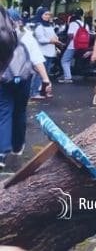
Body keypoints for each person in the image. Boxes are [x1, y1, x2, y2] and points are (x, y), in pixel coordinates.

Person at [0, 9, 52, 169]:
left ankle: (2, 152)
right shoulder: (26, 34)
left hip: (3, 80)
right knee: (20, 111)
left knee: (4, 111)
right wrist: (45, 80)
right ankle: (18, 147)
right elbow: (36, 60)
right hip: (23, 80)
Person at [31, 7, 61, 99]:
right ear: (40, 15)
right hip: (42, 53)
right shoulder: (39, 25)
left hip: (50, 52)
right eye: (45, 14)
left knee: (45, 74)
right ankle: (34, 92)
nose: (47, 16)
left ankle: (44, 91)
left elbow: (54, 36)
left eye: (49, 14)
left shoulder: (49, 25)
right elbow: (41, 39)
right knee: (40, 74)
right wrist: (51, 41)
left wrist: (56, 40)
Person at [59, 8, 89, 84]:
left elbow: (70, 36)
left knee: (64, 60)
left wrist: (66, 45)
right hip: (83, 46)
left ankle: (67, 77)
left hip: (72, 45)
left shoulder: (73, 24)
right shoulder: (85, 25)